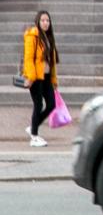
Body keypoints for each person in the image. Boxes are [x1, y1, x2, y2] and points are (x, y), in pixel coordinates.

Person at [23, 10, 60, 148]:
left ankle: (33, 126)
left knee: (51, 105)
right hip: (35, 77)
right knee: (38, 105)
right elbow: (28, 58)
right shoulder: (32, 36)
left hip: (46, 77)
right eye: (43, 20)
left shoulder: (49, 37)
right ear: (38, 21)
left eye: (48, 20)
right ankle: (34, 137)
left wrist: (54, 80)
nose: (45, 23)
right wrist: (31, 77)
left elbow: (52, 62)